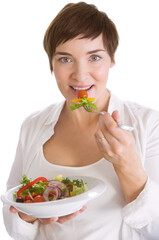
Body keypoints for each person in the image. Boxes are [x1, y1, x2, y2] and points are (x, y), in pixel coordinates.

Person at [2, 2, 159, 240]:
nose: (80, 74)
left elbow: (155, 230)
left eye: (94, 57)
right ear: (51, 64)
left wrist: (128, 165)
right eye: (65, 59)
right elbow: (14, 223)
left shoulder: (148, 124)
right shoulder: (33, 125)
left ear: (112, 59)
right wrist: (30, 213)